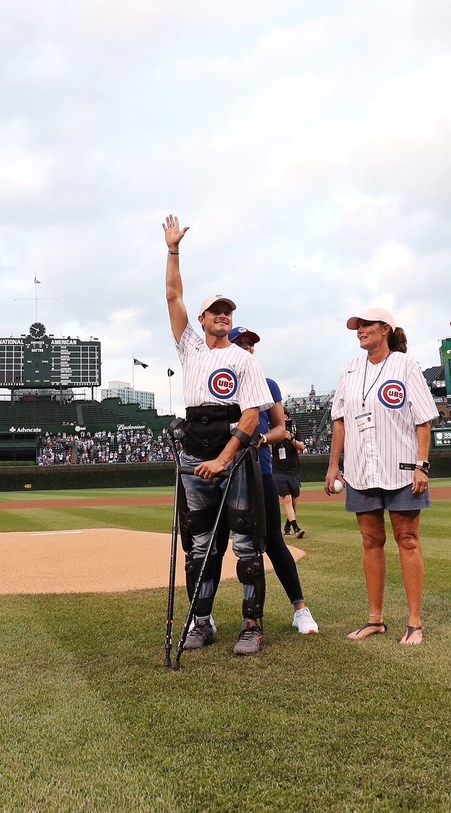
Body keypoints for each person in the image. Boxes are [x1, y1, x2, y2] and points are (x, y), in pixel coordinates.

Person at [164, 214, 274, 655]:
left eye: (230, 312)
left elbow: (250, 418)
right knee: (199, 546)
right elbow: (173, 294)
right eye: (217, 311)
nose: (224, 316)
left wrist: (225, 459)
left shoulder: (245, 360)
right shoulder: (189, 347)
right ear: (204, 318)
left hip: (232, 457)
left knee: (246, 541)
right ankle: (202, 622)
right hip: (193, 453)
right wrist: (173, 250)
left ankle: (252, 624)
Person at [324, 307, 438, 646]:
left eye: (365, 325)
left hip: (402, 467)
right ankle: (375, 618)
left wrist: (423, 465)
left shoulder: (406, 365)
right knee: (370, 541)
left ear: (385, 328)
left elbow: (423, 420)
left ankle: (414, 622)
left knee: (408, 539)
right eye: (356, 327)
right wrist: (333, 466)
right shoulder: (350, 368)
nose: (359, 331)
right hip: (361, 469)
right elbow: (340, 420)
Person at [204, 326, 319, 634]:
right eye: (240, 343)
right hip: (223, 475)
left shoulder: (267, 385)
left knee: (273, 542)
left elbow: (282, 428)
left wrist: (262, 439)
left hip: (260, 473)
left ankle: (300, 609)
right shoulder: (216, 386)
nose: (247, 348)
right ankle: (203, 617)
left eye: (250, 344)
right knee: (214, 545)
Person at [272, 409, 308, 537]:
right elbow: (269, 446)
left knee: (294, 500)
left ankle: (287, 526)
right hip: (278, 471)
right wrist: (277, 436)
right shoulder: (273, 429)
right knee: (286, 499)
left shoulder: (294, 429)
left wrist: (290, 438)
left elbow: (302, 446)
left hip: (293, 470)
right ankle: (296, 528)